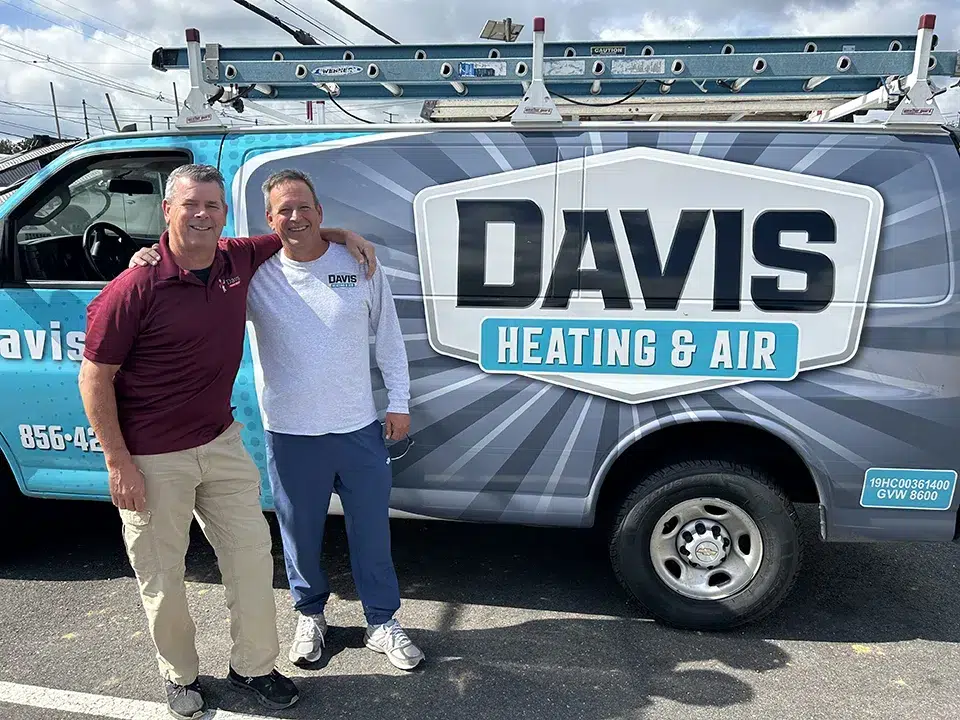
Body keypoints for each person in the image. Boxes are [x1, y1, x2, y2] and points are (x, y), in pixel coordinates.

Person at [80, 163, 378, 720]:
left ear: (224, 215)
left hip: (220, 443)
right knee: (163, 574)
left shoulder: (235, 258)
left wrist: (343, 234)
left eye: (212, 206)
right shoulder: (136, 285)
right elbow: (94, 378)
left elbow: (294, 229)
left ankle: (253, 667)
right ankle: (179, 675)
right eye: (190, 204)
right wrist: (118, 461)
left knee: (250, 558)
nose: (201, 214)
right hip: (152, 456)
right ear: (167, 211)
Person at [129, 168, 425, 673]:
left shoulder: (359, 263)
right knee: (299, 536)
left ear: (320, 212)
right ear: (269, 220)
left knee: (372, 535)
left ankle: (382, 622)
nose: (295, 217)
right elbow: (193, 256)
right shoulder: (251, 274)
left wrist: (399, 401)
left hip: (359, 429)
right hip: (291, 433)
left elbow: (390, 339)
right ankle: (310, 615)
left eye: (304, 207)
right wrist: (148, 257)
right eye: (284, 210)